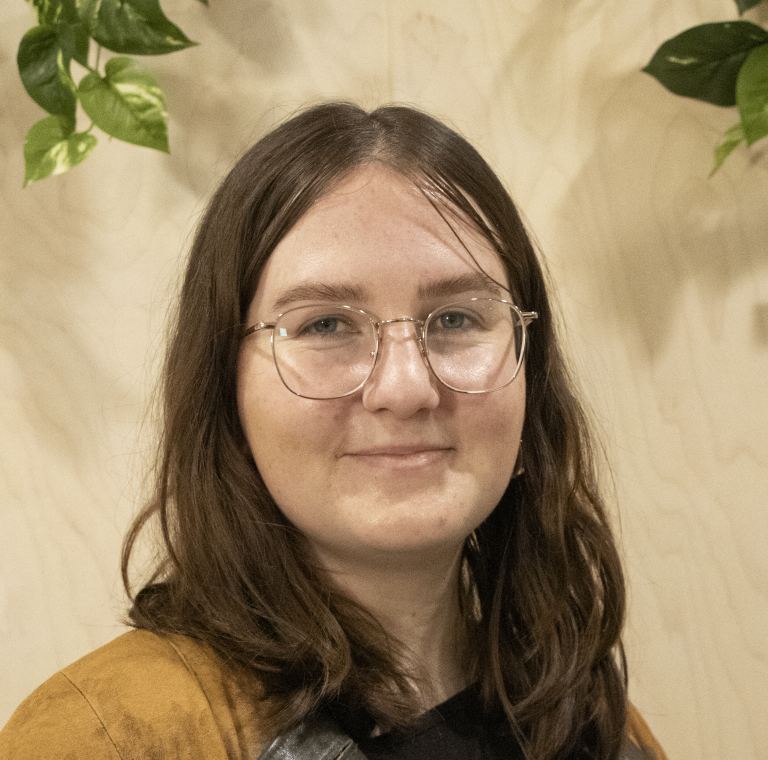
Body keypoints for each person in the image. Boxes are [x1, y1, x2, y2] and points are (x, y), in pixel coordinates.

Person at [0, 103, 668, 760]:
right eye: (325, 326)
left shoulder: (598, 724)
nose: (406, 388)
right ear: (224, 393)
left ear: (531, 369)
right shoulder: (107, 738)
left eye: (457, 319)